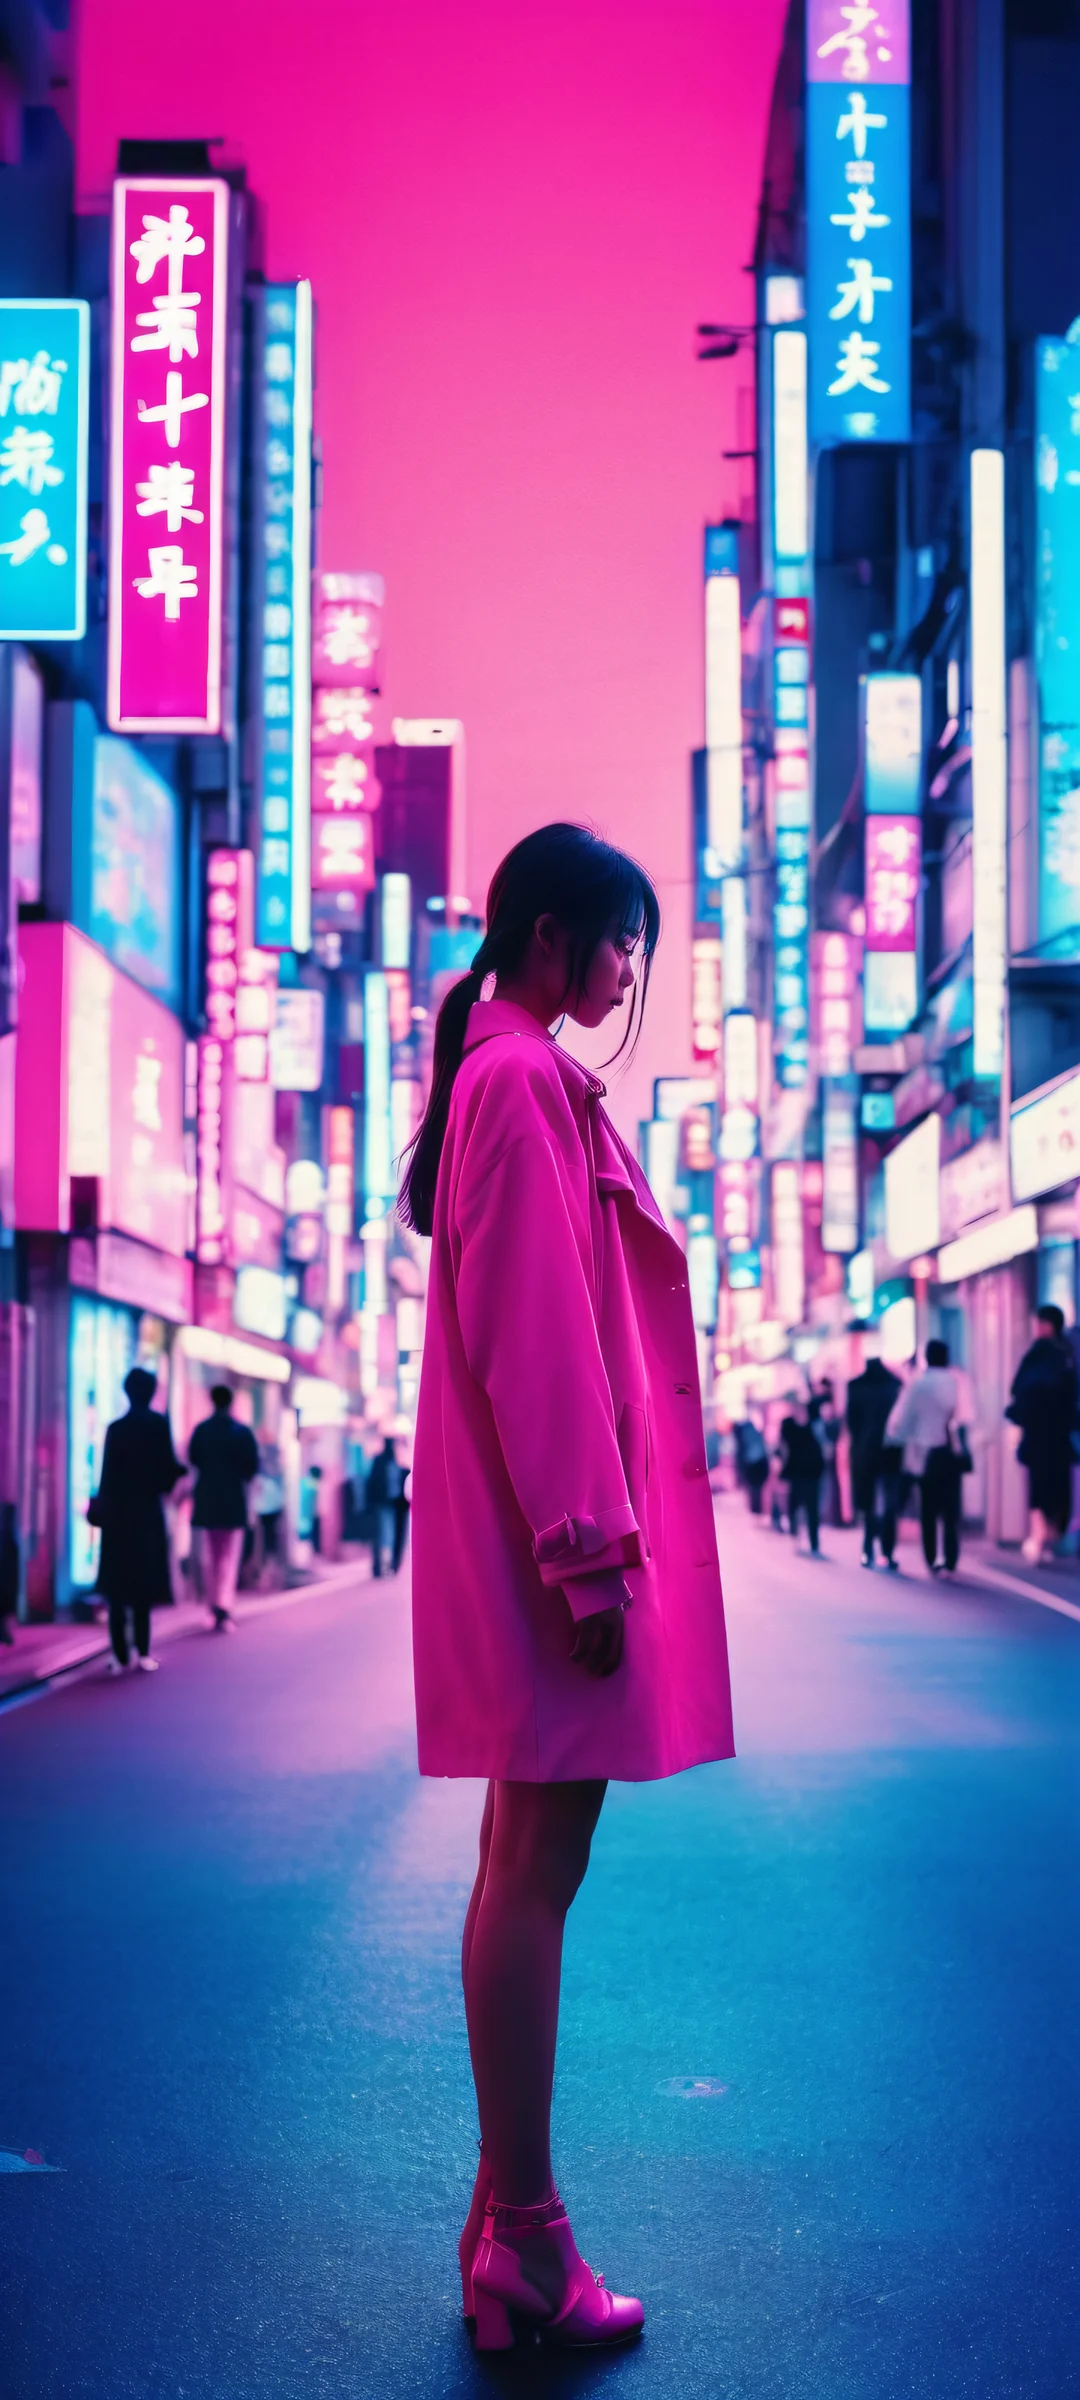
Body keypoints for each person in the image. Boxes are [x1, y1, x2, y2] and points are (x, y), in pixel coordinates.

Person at [403, 825, 734, 2351]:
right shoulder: (524, 1079)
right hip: (554, 1549)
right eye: (613, 944)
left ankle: (501, 2220)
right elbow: (540, 1335)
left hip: (532, 1535)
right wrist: (587, 1555)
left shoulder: (503, 1073)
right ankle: (527, 2247)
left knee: (518, 1859)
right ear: (548, 938)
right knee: (535, 1866)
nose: (622, 974)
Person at [92, 1366, 183, 1672]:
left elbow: (106, 1475)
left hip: (117, 1515)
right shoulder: (159, 1425)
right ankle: (143, 1651)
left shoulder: (115, 1429)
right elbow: (167, 1472)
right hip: (146, 1513)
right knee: (143, 1585)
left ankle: (119, 1655)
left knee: (117, 1588)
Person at [885, 1338, 972, 1577]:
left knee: (929, 1508)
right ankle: (952, 1557)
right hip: (950, 1453)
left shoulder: (918, 1384)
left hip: (924, 1455)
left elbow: (902, 1421)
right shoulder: (959, 1381)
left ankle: (932, 1557)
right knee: (951, 1508)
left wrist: (896, 1443)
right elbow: (966, 1418)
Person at [1007, 1303, 1079, 1563]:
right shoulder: (1069, 1354)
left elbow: (1018, 1388)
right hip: (1061, 1434)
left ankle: (1040, 1537)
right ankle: (1052, 1535)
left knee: (1039, 1483)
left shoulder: (1039, 1353)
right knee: (1059, 1484)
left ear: (1047, 1325)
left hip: (1038, 1432)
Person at [188, 1385, 259, 1630]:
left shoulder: (202, 1431)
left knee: (211, 1555)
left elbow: (193, 1459)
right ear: (231, 1403)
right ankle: (224, 1606)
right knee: (229, 1556)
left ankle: (212, 1605)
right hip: (233, 1502)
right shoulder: (242, 1432)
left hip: (207, 1501)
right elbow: (251, 1467)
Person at [846, 1351, 903, 1568]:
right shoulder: (894, 1384)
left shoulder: (856, 1386)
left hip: (865, 1451)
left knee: (868, 1502)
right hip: (891, 1449)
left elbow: (851, 1421)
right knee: (890, 1501)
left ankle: (867, 1547)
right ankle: (887, 1550)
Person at [778, 1399, 826, 1555]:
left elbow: (822, 1443)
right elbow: (783, 1447)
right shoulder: (787, 1425)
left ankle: (814, 1542)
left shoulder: (815, 1421)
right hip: (796, 1472)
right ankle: (795, 1537)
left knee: (812, 1508)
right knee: (794, 1505)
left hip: (813, 1471)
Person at [365, 1435, 409, 1576]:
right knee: (385, 1535)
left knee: (394, 1536)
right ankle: (383, 1566)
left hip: (398, 1505)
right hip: (384, 1504)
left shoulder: (399, 1462)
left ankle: (391, 1565)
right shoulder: (381, 1461)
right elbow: (373, 1483)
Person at [732, 1415, 769, 1515]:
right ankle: (758, 1509)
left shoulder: (742, 1435)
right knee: (758, 1488)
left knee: (753, 1488)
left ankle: (755, 1510)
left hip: (751, 1464)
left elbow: (741, 1452)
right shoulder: (755, 1434)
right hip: (761, 1463)